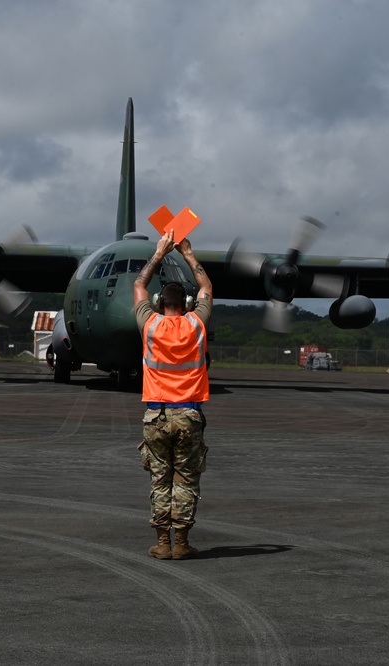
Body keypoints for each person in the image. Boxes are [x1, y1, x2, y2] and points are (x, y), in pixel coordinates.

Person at [133, 228, 213, 560]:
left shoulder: (148, 324)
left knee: (159, 479)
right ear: (189, 304)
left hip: (156, 415)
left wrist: (159, 253)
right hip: (189, 415)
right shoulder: (197, 324)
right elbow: (207, 287)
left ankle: (162, 543)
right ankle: (181, 543)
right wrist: (188, 253)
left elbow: (138, 285)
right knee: (185, 479)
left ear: (157, 303)